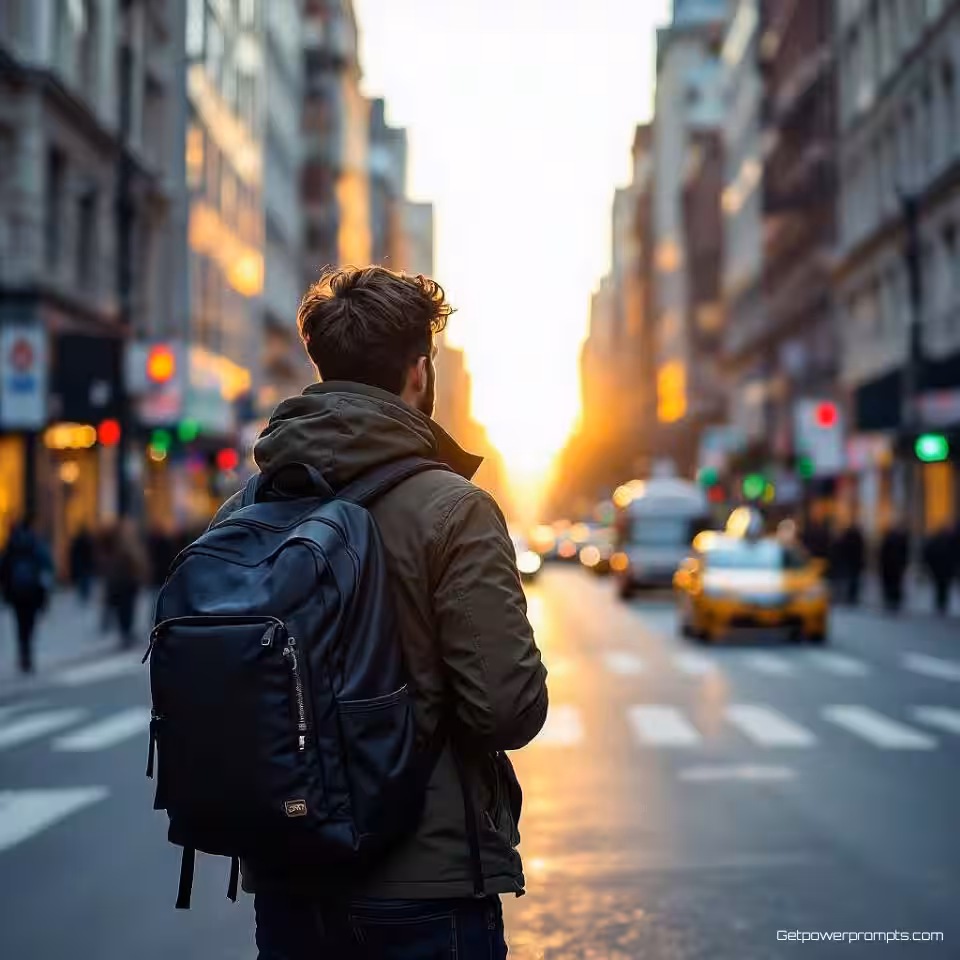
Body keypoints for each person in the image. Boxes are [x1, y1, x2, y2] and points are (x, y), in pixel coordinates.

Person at [211, 266, 548, 959]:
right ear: (419, 374)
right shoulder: (455, 509)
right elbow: (507, 710)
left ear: (322, 365)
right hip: (425, 889)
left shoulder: (244, 510)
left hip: (288, 880)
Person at [0, 517, 54, 674]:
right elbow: (46, 565)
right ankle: (27, 654)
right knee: (29, 624)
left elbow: (3, 567)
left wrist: (6, 589)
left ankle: (23, 652)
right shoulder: (35, 543)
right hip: (32, 591)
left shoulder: (11, 544)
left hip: (16, 593)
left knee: (19, 624)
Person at [101, 519, 148, 648]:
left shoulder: (129, 547)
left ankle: (126, 633)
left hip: (128, 584)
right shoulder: (123, 549)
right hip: (124, 584)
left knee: (127, 610)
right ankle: (125, 633)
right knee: (125, 610)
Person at [923, 524, 956, 615]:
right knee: (941, 587)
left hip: (943, 569)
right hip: (941, 569)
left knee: (942, 587)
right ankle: (941, 605)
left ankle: (941, 605)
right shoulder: (944, 542)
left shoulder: (949, 541)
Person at [878, 520, 909, 613]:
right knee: (893, 585)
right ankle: (892, 603)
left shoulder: (898, 538)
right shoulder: (899, 538)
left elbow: (883, 553)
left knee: (892, 585)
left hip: (892, 567)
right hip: (892, 567)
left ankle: (891, 603)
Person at [833, 521, 866, 605]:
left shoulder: (845, 538)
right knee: (851, 581)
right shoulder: (855, 538)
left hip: (850, 563)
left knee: (849, 581)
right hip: (852, 563)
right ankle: (851, 597)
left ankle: (849, 596)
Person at [69, 525, 96, 605]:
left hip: (81, 564)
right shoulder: (88, 540)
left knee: (83, 581)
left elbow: (73, 553)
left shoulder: (77, 540)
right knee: (86, 580)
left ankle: (83, 595)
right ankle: (85, 595)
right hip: (86, 564)